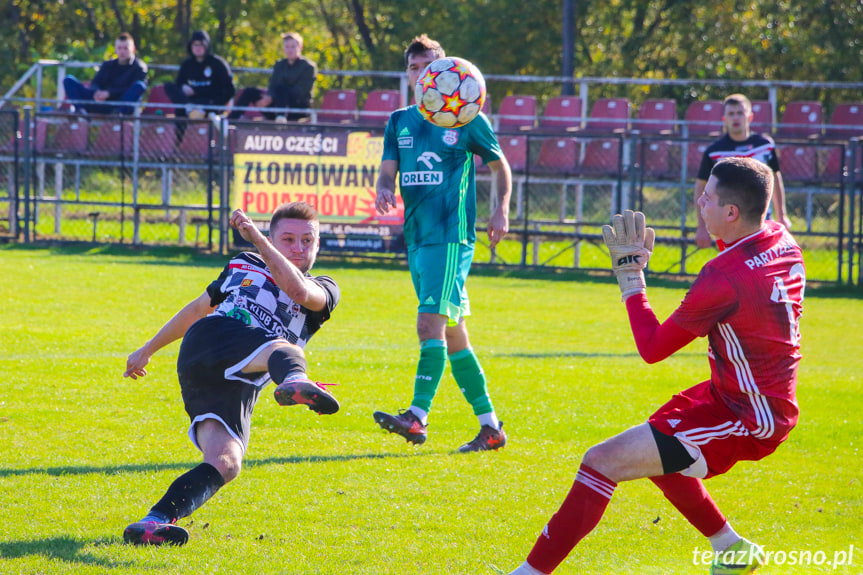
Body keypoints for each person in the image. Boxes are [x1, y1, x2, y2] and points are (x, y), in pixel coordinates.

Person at [507, 157, 805, 575]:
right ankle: (732, 549)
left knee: (602, 460)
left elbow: (652, 348)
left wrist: (631, 278)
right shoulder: (780, 237)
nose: (700, 201)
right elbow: (743, 263)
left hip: (749, 415)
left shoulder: (722, 277)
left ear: (732, 212)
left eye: (709, 197)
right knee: (656, 448)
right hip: (738, 395)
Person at [121, 202, 341, 546]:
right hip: (211, 340)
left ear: (318, 245)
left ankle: (153, 522)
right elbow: (197, 309)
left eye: (307, 241)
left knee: (226, 462)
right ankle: (294, 381)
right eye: (288, 239)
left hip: (241, 377)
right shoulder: (243, 262)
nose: (299, 248)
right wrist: (147, 349)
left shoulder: (326, 287)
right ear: (272, 238)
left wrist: (256, 237)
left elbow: (299, 292)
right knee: (288, 351)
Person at [372, 34, 513, 452]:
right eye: (416, 68)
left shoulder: (466, 118)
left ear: (453, 72)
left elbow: (499, 165)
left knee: (428, 324)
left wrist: (501, 208)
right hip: (417, 239)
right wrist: (383, 189)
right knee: (455, 336)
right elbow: (386, 171)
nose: (425, 75)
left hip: (451, 238)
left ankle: (416, 416)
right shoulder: (399, 121)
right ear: (411, 76)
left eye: (432, 66)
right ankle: (491, 428)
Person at [694, 93, 791, 248]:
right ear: (724, 120)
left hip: (761, 220)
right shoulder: (714, 151)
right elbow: (701, 187)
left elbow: (775, 179)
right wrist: (701, 226)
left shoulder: (765, 146)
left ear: (750, 117)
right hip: (728, 225)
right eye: (731, 114)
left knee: (760, 265)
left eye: (740, 113)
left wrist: (782, 215)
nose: (736, 118)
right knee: (733, 269)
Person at [228, 32, 316, 123]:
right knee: (249, 92)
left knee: (281, 88)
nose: (290, 50)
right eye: (287, 46)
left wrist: (273, 97)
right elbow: (273, 84)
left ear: (300, 47)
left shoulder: (308, 67)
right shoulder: (279, 65)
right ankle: (230, 121)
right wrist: (267, 98)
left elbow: (300, 92)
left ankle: (281, 118)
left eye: (293, 47)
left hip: (297, 109)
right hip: (276, 104)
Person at [63, 33, 147, 115]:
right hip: (99, 102)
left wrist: (109, 93)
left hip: (120, 104)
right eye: (119, 48)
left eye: (125, 48)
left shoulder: (139, 67)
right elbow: (95, 82)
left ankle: (118, 115)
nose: (122, 51)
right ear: (115, 49)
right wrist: (97, 92)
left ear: (133, 49)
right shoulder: (107, 65)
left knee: (139, 86)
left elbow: (132, 90)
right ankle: (81, 111)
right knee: (68, 80)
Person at [163, 30, 235, 121]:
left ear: (206, 46)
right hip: (190, 102)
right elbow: (179, 84)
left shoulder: (217, 64)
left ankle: (197, 110)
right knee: (169, 87)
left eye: (201, 44)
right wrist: (183, 87)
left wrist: (196, 91)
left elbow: (229, 90)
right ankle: (190, 110)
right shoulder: (187, 64)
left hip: (210, 103)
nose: (197, 48)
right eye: (195, 45)